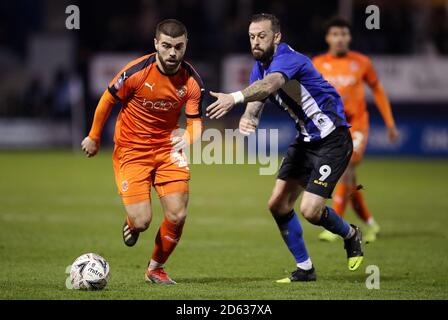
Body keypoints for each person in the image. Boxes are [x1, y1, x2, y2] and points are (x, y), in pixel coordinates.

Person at [206, 13, 363, 282]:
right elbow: (260, 94)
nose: (256, 42)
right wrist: (250, 115)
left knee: (310, 211)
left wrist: (234, 98)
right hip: (305, 141)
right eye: (252, 37)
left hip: (332, 139)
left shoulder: (289, 58)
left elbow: (272, 84)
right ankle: (305, 269)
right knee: (278, 205)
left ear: (276, 37)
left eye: (262, 36)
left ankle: (350, 234)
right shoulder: (261, 64)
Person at [81, 19, 204, 285]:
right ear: (156, 44)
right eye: (167, 46)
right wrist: (93, 136)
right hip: (132, 151)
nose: (173, 53)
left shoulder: (192, 81)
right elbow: (107, 100)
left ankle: (155, 269)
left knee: (178, 214)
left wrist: (189, 137)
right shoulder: (136, 72)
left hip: (167, 149)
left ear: (186, 46)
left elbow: (195, 122)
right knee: (142, 221)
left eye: (179, 47)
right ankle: (132, 222)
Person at [313, 17, 398, 243]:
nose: (339, 39)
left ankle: (335, 225)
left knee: (346, 168)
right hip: (332, 128)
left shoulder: (361, 62)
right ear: (327, 38)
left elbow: (378, 91)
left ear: (349, 37)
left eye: (343, 34)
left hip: (357, 125)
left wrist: (389, 123)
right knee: (349, 178)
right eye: (335, 34)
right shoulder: (318, 63)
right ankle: (371, 224)